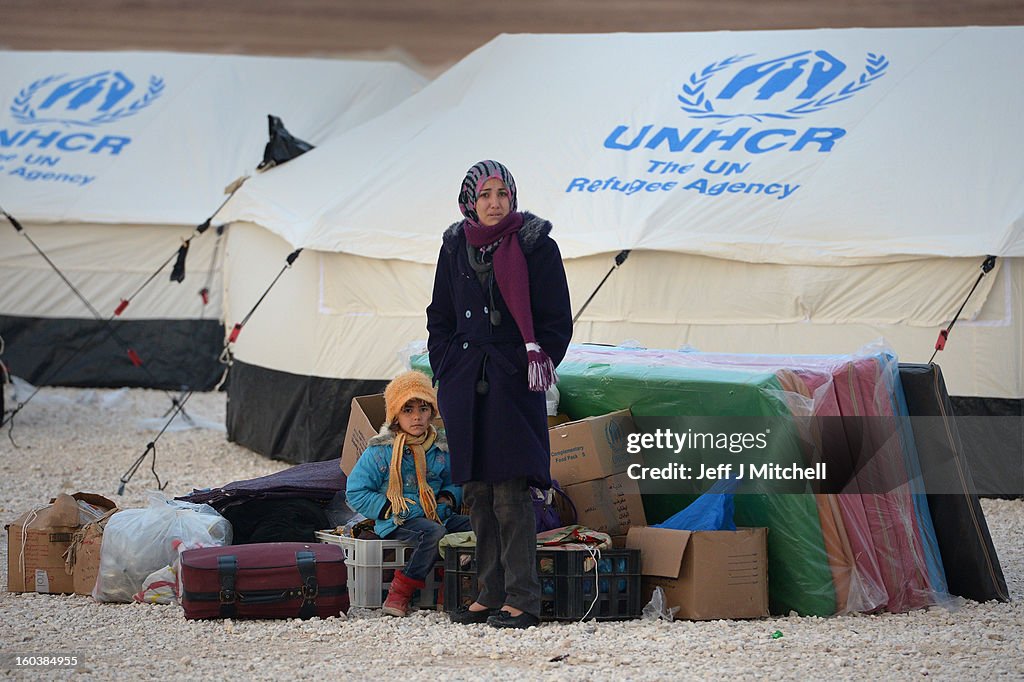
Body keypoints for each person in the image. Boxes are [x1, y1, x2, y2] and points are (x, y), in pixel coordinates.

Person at [426, 160, 572, 628]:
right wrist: (446, 368)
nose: (494, 203)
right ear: (471, 199)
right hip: (465, 381)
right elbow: (439, 315)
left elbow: (555, 321)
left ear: (512, 197)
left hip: (512, 381)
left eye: (502, 194)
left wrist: (531, 362)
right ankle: (488, 593)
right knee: (476, 490)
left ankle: (522, 598)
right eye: (485, 195)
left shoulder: (536, 246)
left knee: (510, 489)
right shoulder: (454, 246)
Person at [345, 370, 471, 617]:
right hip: (398, 517)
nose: (417, 417)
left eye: (423, 409)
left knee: (479, 525)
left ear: (432, 413)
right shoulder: (381, 451)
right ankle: (400, 592)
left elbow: (455, 480)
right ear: (395, 416)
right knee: (434, 533)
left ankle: (452, 588)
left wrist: (448, 497)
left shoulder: (440, 447)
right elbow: (356, 490)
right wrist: (390, 507)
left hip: (437, 512)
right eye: (408, 410)